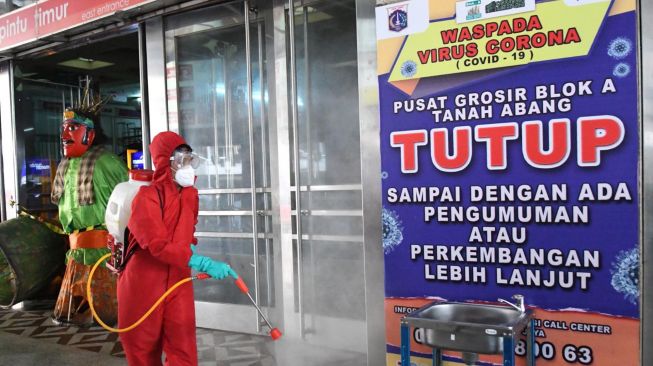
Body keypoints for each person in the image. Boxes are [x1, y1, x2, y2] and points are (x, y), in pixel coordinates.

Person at [118, 131, 236, 366]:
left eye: (190, 160)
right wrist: (199, 262)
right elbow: (156, 244)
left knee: (183, 347)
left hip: (178, 279)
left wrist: (191, 256)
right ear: (165, 162)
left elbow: (186, 235)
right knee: (142, 351)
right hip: (144, 280)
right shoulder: (147, 197)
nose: (188, 166)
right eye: (182, 160)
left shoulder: (190, 195)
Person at [51, 105, 128, 326]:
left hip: (104, 251)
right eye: (63, 129)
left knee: (109, 310)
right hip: (76, 252)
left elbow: (130, 202)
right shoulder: (65, 165)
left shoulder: (107, 161)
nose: (64, 135)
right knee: (75, 310)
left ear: (90, 133)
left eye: (73, 128)